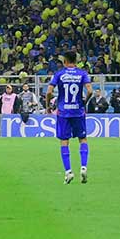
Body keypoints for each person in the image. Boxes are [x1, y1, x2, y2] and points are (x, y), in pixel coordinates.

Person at [45, 51, 91, 185]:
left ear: (65, 61)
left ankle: (68, 172)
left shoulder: (59, 74)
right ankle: (83, 167)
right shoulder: (82, 73)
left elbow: (48, 92)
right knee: (82, 139)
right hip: (78, 111)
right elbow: (90, 91)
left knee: (64, 141)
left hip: (63, 112)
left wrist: (48, 106)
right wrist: (84, 102)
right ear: (76, 61)